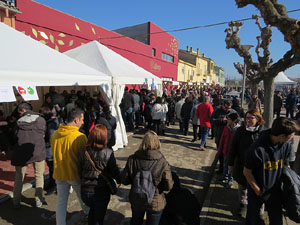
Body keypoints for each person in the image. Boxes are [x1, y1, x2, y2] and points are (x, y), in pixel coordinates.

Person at [244, 117, 299, 225]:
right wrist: (257, 190)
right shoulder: (257, 149)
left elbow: (285, 165)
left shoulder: (286, 145)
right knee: (253, 219)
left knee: (277, 220)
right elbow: (247, 171)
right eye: (292, 134)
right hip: (257, 191)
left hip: (275, 191)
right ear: (282, 136)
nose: (293, 136)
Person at [121, 131, 174, 225]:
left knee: (136, 221)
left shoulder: (132, 159)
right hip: (155, 201)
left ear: (143, 142)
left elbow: (124, 180)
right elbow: (168, 185)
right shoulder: (162, 162)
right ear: (157, 142)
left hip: (137, 198)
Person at [50, 108, 88, 225]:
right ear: (76, 120)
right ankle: (89, 215)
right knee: (83, 199)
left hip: (59, 174)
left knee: (61, 202)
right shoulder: (80, 137)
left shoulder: (55, 135)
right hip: (75, 174)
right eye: (82, 120)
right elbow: (85, 159)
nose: (83, 122)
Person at [79, 124, 121, 225]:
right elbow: (114, 171)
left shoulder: (84, 152)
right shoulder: (108, 153)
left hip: (85, 190)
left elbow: (79, 170)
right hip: (100, 191)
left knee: (92, 212)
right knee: (99, 218)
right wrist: (120, 179)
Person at [227, 109, 265, 217]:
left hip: (258, 168)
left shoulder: (263, 132)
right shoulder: (240, 131)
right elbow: (232, 148)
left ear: (257, 119)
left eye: (251, 118)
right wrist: (230, 163)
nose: (248, 120)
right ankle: (243, 206)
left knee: (258, 189)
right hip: (241, 165)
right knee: (242, 187)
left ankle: (259, 213)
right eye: (246, 118)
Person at [11, 102, 47, 208]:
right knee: (39, 175)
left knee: (19, 177)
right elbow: (44, 133)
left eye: (19, 112)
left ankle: (16, 200)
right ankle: (38, 199)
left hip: (21, 152)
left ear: (23, 111)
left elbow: (14, 137)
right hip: (38, 150)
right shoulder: (41, 120)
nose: (19, 114)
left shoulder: (18, 123)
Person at [210, 100, 236, 172]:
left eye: (229, 108)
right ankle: (221, 169)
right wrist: (222, 120)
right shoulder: (217, 111)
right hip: (219, 136)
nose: (227, 109)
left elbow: (238, 122)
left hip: (230, 138)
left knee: (229, 154)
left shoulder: (233, 112)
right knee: (220, 153)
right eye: (226, 107)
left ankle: (228, 171)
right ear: (223, 105)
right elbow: (211, 120)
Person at [39, 106, 59, 195]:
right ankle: (52, 184)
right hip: (52, 150)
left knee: (53, 169)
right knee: (52, 169)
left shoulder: (51, 124)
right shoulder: (54, 121)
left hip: (50, 151)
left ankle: (54, 186)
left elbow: (51, 138)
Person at [217, 112, 240, 188]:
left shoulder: (239, 130)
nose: (227, 120)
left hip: (234, 152)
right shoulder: (226, 128)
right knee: (225, 164)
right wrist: (219, 150)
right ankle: (225, 176)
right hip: (226, 150)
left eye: (229, 119)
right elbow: (222, 139)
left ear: (234, 121)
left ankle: (231, 180)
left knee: (232, 166)